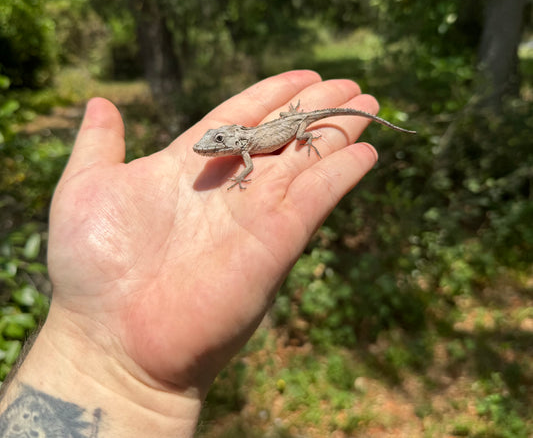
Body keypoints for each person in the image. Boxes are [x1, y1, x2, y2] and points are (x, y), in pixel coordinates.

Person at [0, 70, 380, 437]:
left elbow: (248, 163)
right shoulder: (242, 140)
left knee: (305, 134)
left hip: (294, 125)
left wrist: (288, 140)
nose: (209, 149)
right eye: (215, 142)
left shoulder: (246, 150)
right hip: (286, 123)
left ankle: (308, 131)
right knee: (299, 126)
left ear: (232, 143)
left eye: (217, 144)